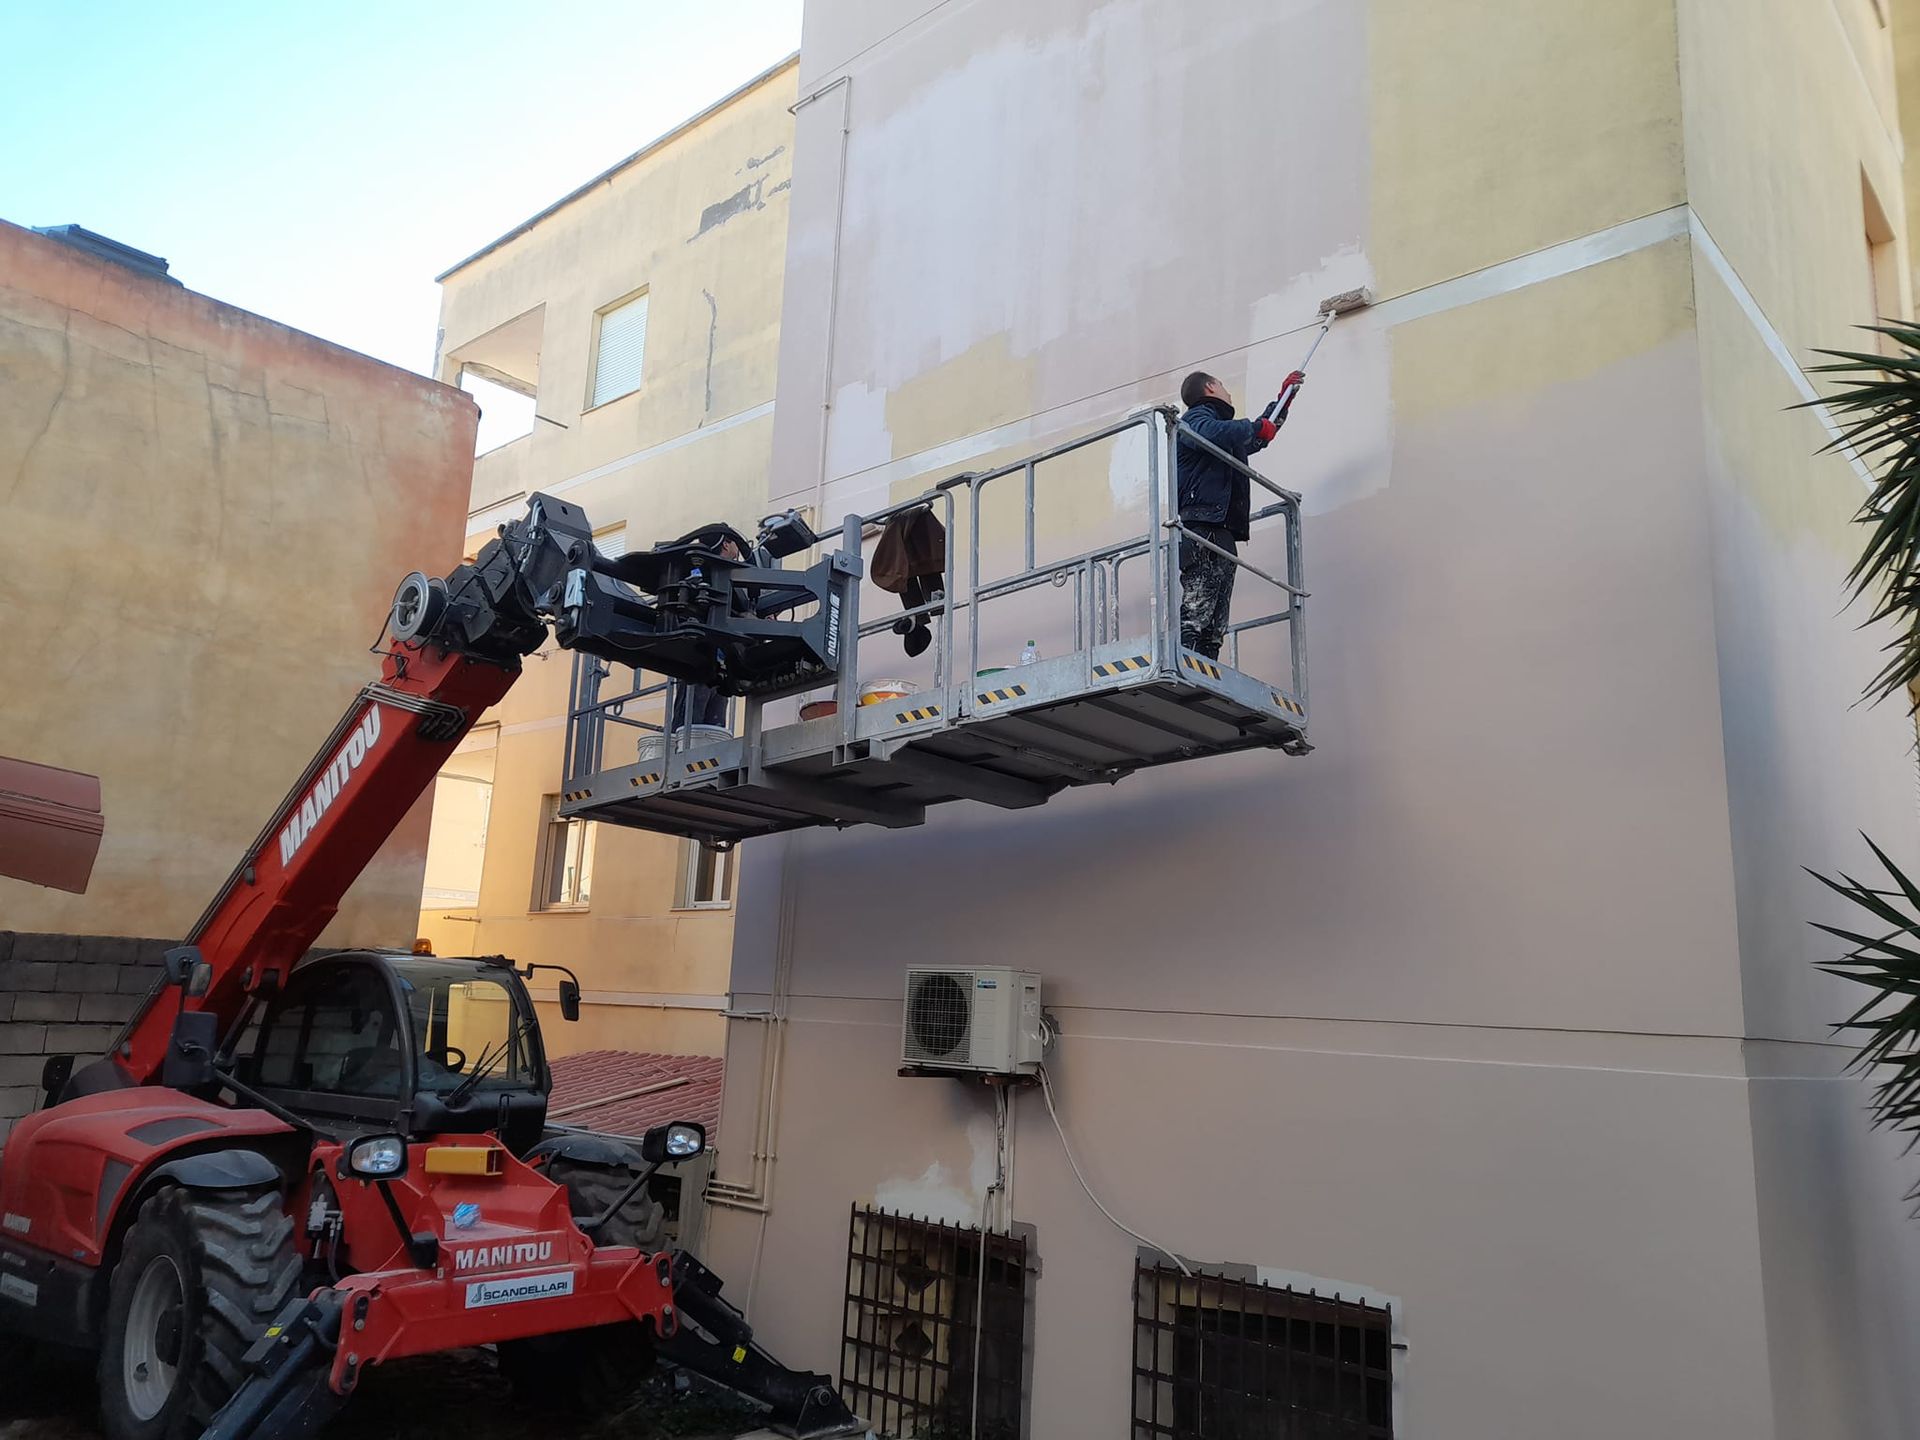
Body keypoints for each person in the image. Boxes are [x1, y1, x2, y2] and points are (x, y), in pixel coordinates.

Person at [1175, 369, 1304, 660]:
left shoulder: (1223, 430)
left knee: (1217, 612)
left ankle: (1208, 661)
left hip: (1221, 527)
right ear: (1209, 388)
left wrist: (1284, 399)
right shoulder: (1196, 419)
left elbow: (1257, 437)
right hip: (1202, 523)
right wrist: (1254, 427)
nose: (1228, 391)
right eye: (1222, 384)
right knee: (1199, 604)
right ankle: (1188, 660)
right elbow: (1214, 434)